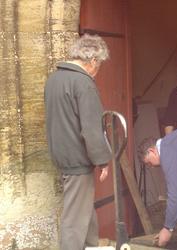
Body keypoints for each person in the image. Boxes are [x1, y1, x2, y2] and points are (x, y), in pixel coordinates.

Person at [44, 34, 111, 250]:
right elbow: (92, 129)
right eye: (99, 65)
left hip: (62, 155)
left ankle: (90, 245)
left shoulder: (54, 79)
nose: (97, 70)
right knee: (74, 220)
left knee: (83, 208)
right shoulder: (83, 83)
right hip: (77, 157)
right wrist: (103, 159)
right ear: (93, 61)